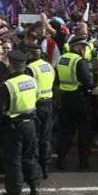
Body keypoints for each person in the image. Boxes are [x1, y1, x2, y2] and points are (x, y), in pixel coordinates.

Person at [0, 50, 41, 195]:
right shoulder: (32, 80)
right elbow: (36, 97)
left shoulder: (8, 86)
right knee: (29, 157)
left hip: (14, 127)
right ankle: (34, 185)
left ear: (11, 66)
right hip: (30, 123)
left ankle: (14, 192)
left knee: (13, 160)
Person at [55, 38, 95, 170]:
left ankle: (61, 160)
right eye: (83, 47)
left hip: (66, 98)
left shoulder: (61, 59)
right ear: (76, 46)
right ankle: (83, 162)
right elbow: (88, 82)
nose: (84, 50)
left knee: (65, 131)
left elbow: (57, 80)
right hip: (80, 98)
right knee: (83, 131)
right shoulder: (79, 61)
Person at [22, 34, 55, 179]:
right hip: (48, 104)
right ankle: (45, 167)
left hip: (35, 107)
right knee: (45, 139)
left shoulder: (29, 68)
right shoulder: (48, 66)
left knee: (33, 139)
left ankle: (34, 170)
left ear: (29, 53)